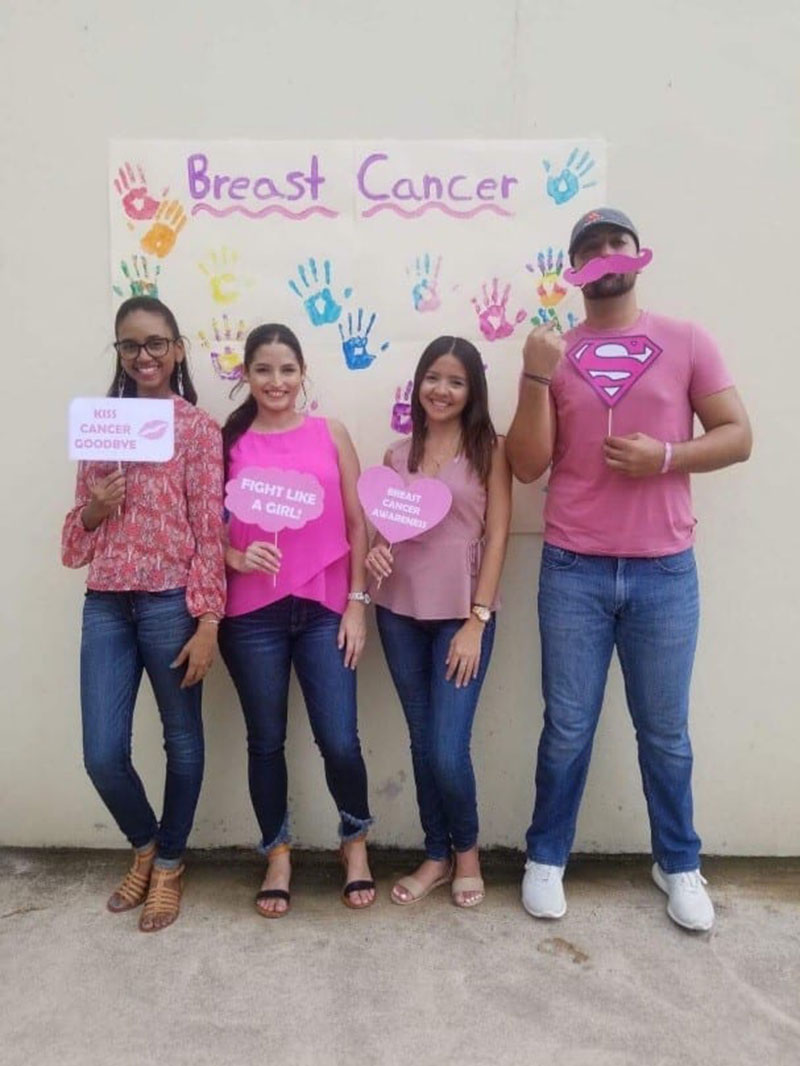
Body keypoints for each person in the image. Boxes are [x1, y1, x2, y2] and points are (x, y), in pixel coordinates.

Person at [506, 208, 752, 931]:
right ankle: (546, 857)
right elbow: (525, 466)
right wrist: (530, 374)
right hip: (573, 570)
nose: (605, 253)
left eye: (617, 242)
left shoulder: (684, 340)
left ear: (638, 256)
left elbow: (739, 435)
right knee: (568, 727)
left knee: (666, 732)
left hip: (665, 572)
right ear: (575, 268)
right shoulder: (558, 352)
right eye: (590, 247)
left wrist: (667, 457)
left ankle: (678, 864)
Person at [62, 295, 225, 932]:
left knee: (181, 740)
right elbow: (76, 545)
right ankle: (146, 846)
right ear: (120, 354)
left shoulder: (198, 430)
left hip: (168, 604)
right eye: (131, 346)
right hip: (105, 602)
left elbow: (210, 532)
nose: (144, 356)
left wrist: (208, 620)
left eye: (156, 343)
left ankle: (171, 864)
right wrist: (96, 507)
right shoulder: (100, 425)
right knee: (102, 752)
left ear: (178, 349)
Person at [219, 324, 375, 917]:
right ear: (247, 376)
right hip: (251, 615)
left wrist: (357, 605)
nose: (276, 382)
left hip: (324, 608)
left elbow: (358, 524)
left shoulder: (329, 432)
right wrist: (235, 555)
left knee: (339, 738)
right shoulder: (227, 440)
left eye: (287, 370)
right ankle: (277, 853)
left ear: (302, 372)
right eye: (263, 370)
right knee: (265, 741)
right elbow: (203, 521)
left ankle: (354, 843)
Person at [366, 336, 511, 908]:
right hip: (399, 613)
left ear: (471, 390)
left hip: (461, 616)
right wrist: (377, 550)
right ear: (418, 382)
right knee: (423, 741)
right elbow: (388, 529)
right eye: (432, 377)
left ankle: (467, 854)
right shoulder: (394, 456)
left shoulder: (489, 451)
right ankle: (435, 854)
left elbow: (498, 535)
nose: (441, 390)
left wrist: (477, 620)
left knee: (449, 748)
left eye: (455, 380)